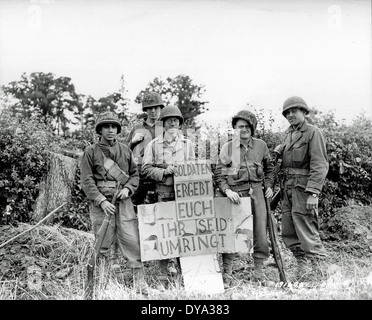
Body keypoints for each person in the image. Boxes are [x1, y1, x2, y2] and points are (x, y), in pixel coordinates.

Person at [80, 110, 148, 295]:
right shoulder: (90, 152)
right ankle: (103, 280)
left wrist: (128, 190)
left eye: (113, 127)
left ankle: (139, 280)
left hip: (123, 201)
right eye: (106, 127)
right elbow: (86, 181)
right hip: (102, 204)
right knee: (102, 244)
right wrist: (101, 201)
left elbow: (134, 175)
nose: (110, 130)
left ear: (118, 130)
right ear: (100, 130)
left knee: (132, 240)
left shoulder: (125, 150)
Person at [214, 110, 275, 286]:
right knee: (233, 233)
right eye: (240, 126)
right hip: (236, 196)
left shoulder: (261, 146)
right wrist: (227, 191)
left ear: (252, 128)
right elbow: (219, 173)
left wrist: (269, 185)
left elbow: (270, 168)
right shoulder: (227, 148)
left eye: (247, 126)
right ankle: (228, 273)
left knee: (260, 233)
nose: (244, 129)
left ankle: (259, 272)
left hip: (257, 193)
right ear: (235, 128)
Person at [274, 96, 329, 281]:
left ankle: (321, 274)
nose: (290, 115)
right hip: (287, 189)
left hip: (304, 190)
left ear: (304, 112)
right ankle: (303, 270)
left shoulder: (313, 132)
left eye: (294, 111)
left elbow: (320, 164)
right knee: (288, 232)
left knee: (307, 232)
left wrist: (314, 192)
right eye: (287, 112)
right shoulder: (288, 134)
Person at [141, 105, 195, 289]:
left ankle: (184, 277)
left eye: (176, 120)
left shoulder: (188, 144)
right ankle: (162, 278)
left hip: (184, 196)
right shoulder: (154, 144)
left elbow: (194, 169)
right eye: (169, 120)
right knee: (164, 235)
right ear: (163, 124)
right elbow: (145, 169)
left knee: (183, 234)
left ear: (180, 124)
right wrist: (165, 171)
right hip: (163, 194)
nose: (173, 123)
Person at [125, 92, 165, 210]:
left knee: (162, 207)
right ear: (145, 110)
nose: (153, 111)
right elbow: (124, 152)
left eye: (156, 107)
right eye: (149, 108)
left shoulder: (165, 127)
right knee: (133, 206)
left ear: (160, 108)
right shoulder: (137, 128)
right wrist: (132, 142)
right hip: (140, 174)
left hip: (160, 173)